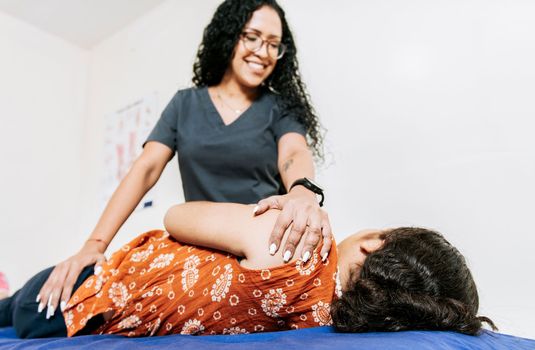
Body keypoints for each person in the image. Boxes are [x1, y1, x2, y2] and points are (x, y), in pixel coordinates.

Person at [36, 0, 332, 320]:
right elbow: (146, 169)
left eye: (274, 45)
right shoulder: (185, 104)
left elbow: (293, 152)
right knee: (61, 298)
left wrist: (302, 193)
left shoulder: (279, 109)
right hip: (194, 241)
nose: (263, 51)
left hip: (257, 244)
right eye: (253, 37)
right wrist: (94, 244)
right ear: (229, 35)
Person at [0, 202, 495, 338]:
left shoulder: (293, 246)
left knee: (8, 307)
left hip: (77, 297)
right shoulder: (331, 320)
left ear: (371, 245)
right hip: (87, 311)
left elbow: (175, 216)